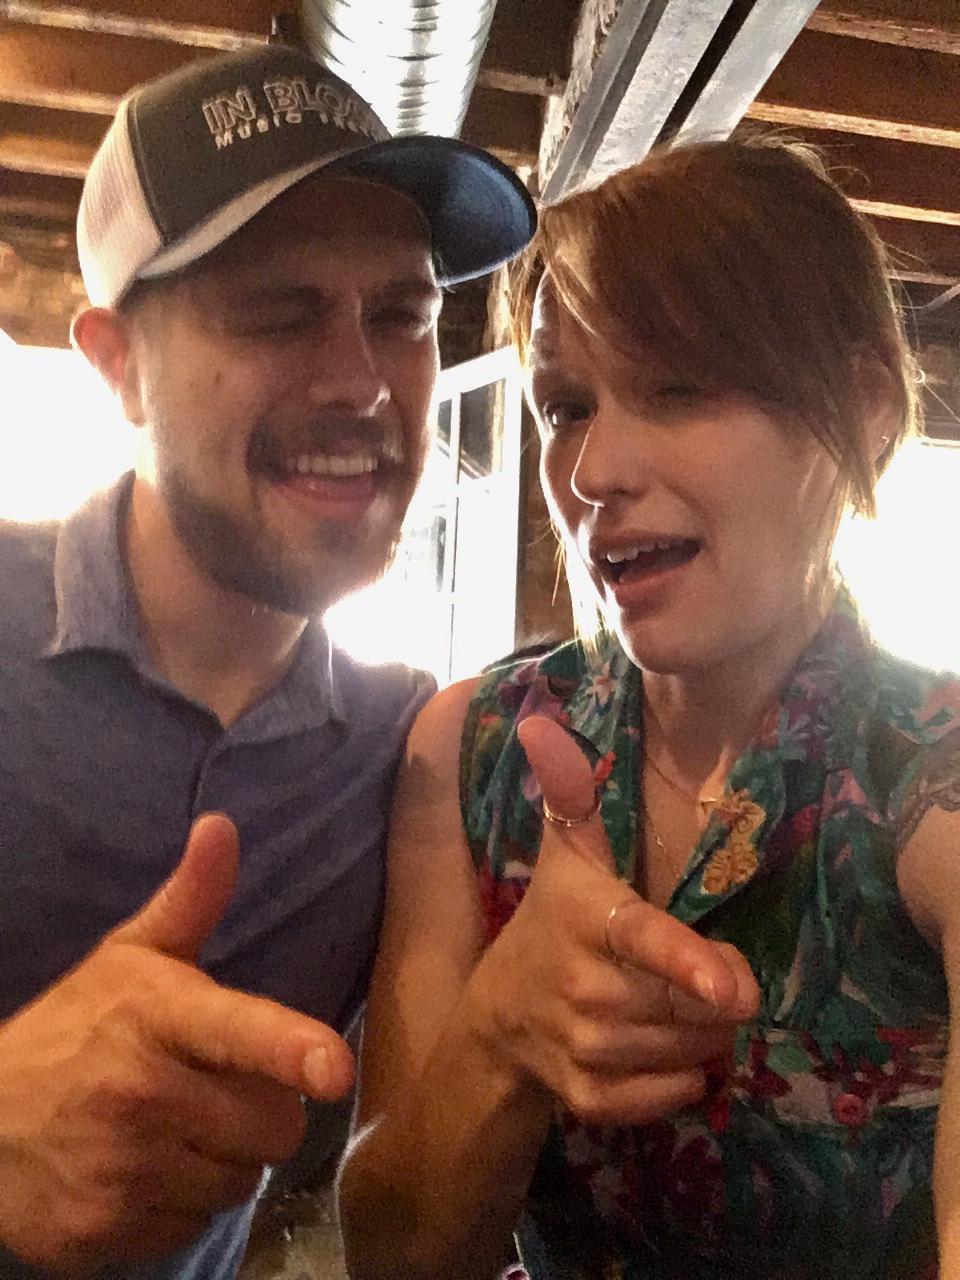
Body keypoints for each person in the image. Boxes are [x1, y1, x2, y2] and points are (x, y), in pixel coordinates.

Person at [338, 133, 960, 1280]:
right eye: (566, 406)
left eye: (678, 388)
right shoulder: (475, 745)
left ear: (866, 409)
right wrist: (500, 1036)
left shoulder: (928, 772)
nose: (592, 472)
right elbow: (389, 1253)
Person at [0, 42, 535, 1280]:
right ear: (118, 366)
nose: (362, 381)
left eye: (402, 317)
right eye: (278, 312)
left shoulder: (405, 752)